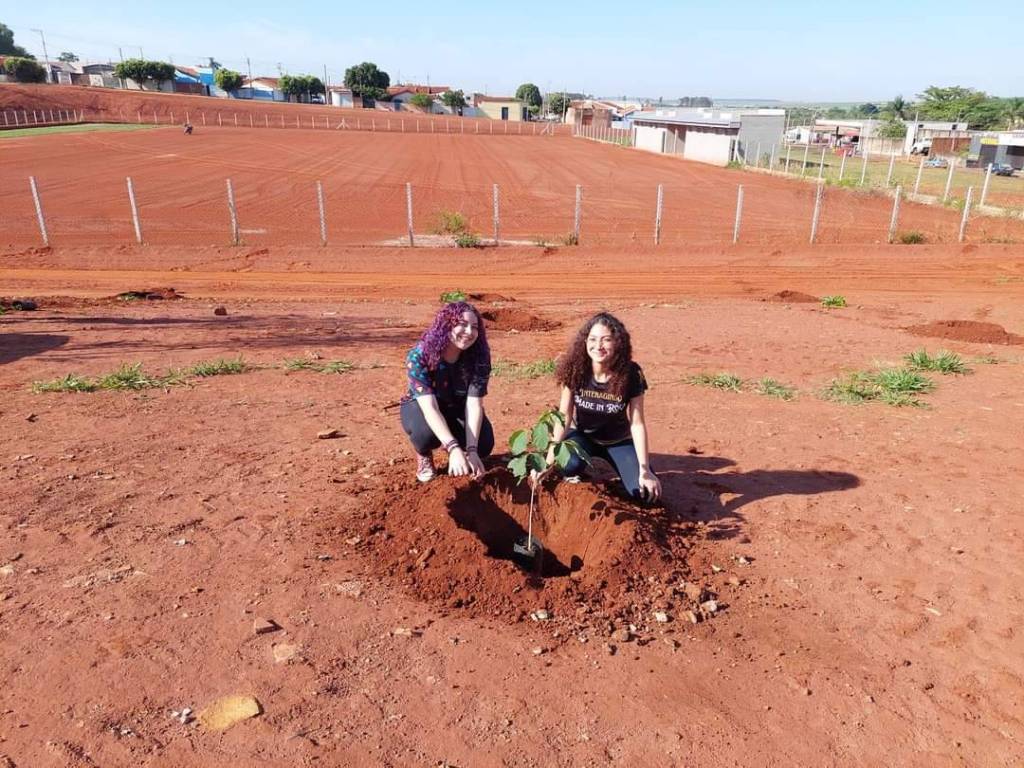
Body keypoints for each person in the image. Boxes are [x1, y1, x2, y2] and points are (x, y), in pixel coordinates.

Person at [549, 312, 661, 502]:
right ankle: (579, 471)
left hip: (618, 441)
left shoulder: (631, 373)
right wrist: (548, 460)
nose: (598, 346)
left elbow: (637, 424)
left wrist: (644, 470)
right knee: (568, 465)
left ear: (618, 343)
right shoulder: (575, 370)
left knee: (645, 495)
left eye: (606, 340)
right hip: (583, 437)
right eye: (592, 339)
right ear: (585, 342)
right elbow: (564, 415)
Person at [400, 301, 494, 483]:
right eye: (462, 324)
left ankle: (461, 451)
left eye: (475, 327)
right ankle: (424, 454)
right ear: (446, 325)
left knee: (484, 444)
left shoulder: (479, 357)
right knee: (425, 435)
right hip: (421, 406)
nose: (469, 332)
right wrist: (453, 447)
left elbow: (474, 404)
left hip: (457, 406)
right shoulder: (420, 356)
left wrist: (472, 450)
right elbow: (430, 408)